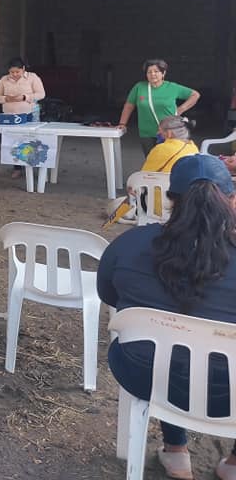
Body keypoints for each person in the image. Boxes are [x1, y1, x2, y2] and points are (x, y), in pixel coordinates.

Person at [98, 154, 236, 480]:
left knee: (164, 352)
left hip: (145, 376)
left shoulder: (129, 243)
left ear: (171, 199)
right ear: (230, 199)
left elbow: (109, 295)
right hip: (230, 394)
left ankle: (175, 451)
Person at [105, 115, 200, 227]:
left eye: (160, 131)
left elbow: (141, 180)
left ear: (169, 133)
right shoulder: (194, 149)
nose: (157, 133)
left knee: (113, 206)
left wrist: (131, 189)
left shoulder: (160, 149)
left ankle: (135, 216)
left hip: (155, 207)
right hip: (182, 206)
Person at [118, 59, 200, 156]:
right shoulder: (139, 87)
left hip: (169, 132)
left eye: (156, 71)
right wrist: (122, 123)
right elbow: (129, 106)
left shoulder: (172, 87)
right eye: (149, 72)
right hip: (147, 133)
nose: (152, 74)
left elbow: (195, 95)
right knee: (151, 159)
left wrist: (180, 109)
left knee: (170, 159)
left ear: (163, 73)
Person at [0, 57, 47, 179]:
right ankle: (17, 168)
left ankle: (30, 167)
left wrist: (24, 97)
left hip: (28, 114)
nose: (14, 74)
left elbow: (41, 94)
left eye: (17, 72)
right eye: (12, 72)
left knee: (28, 141)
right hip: (10, 116)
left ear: (23, 69)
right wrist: (5, 98)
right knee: (14, 142)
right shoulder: (4, 79)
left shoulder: (32, 78)